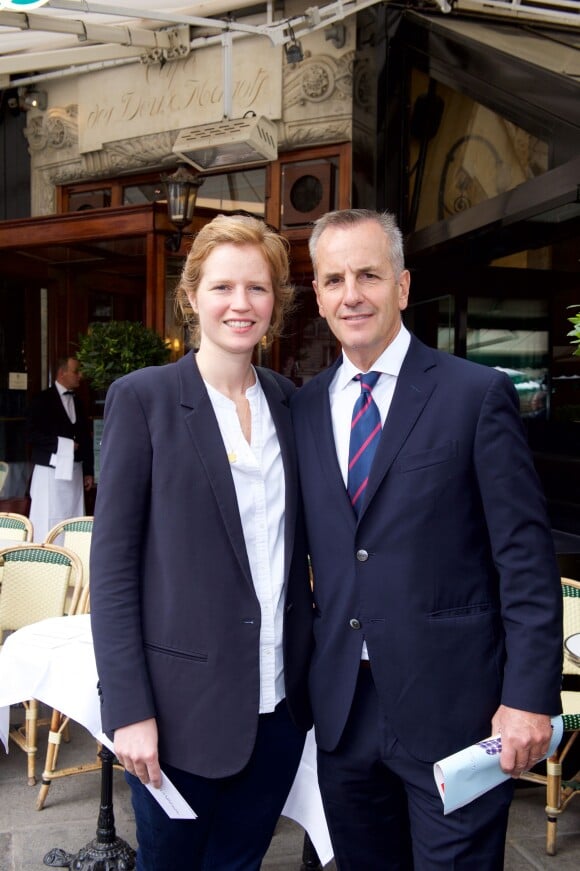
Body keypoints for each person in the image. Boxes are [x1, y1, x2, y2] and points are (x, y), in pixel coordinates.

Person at [291, 208, 563, 870]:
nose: (351, 293)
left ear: (403, 286)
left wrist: (528, 697)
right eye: (334, 279)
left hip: (455, 711)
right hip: (343, 716)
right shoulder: (301, 406)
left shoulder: (476, 395)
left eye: (368, 274)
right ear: (320, 295)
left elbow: (524, 561)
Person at [90, 214, 313, 871]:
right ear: (191, 296)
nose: (240, 304)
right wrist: (129, 709)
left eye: (257, 287)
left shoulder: (290, 403)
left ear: (276, 301)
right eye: (222, 287)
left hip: (278, 704)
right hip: (177, 714)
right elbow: (112, 569)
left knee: (240, 862)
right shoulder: (144, 399)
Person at [26, 355, 94, 542]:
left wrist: (89, 471)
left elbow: (86, 439)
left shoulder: (79, 402)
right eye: (75, 371)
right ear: (62, 373)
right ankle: (45, 552)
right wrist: (61, 444)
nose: (79, 376)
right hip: (49, 469)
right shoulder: (42, 400)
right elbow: (31, 434)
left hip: (75, 470)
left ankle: (72, 556)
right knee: (48, 513)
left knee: (73, 514)